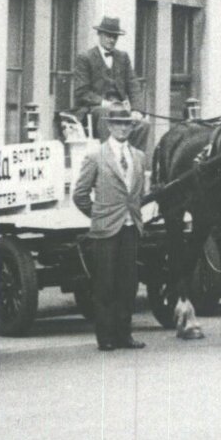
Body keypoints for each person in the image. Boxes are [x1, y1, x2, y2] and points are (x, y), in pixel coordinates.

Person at [73, 104, 148, 351]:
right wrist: (98, 215)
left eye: (127, 124)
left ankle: (124, 334)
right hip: (106, 229)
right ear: (109, 126)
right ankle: (105, 337)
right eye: (118, 124)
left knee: (128, 284)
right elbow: (80, 194)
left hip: (130, 227)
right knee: (105, 284)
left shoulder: (138, 156)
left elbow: (139, 193)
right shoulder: (96, 156)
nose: (123, 128)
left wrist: (135, 216)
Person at [72, 16, 147, 147]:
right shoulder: (85, 58)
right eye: (108, 36)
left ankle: (133, 159)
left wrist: (137, 110)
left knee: (143, 123)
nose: (112, 40)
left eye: (115, 37)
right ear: (99, 34)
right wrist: (105, 103)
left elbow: (133, 84)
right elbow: (82, 92)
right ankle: (109, 159)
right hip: (94, 109)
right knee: (106, 114)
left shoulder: (123, 57)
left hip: (120, 108)